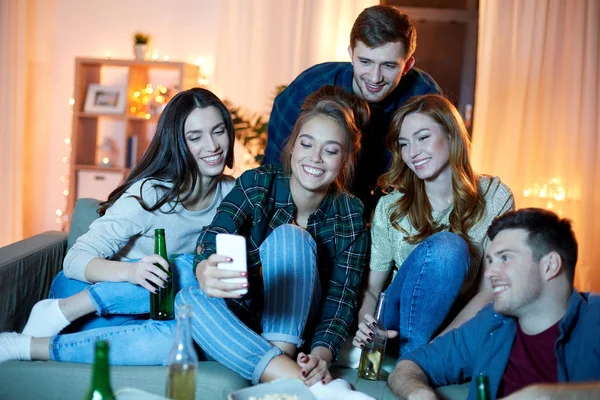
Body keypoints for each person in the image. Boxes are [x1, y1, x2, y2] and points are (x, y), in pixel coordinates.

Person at [0, 87, 236, 364]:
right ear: (178, 144)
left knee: (178, 339)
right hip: (82, 300)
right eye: (195, 137)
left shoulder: (234, 195)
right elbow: (74, 260)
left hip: (153, 309)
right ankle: (50, 315)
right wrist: (132, 271)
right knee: (182, 266)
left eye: (218, 131)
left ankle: (25, 347)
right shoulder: (151, 194)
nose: (212, 146)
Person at [176, 85, 369, 387]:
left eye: (330, 150)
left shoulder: (351, 215)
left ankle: (282, 362)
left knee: (289, 238)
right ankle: (299, 382)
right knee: (186, 298)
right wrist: (204, 268)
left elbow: (340, 300)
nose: (316, 158)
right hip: (247, 321)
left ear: (344, 160)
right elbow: (216, 231)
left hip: (303, 328)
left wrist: (320, 356)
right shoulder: (257, 183)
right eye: (307, 144)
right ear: (292, 147)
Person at [352, 94, 514, 358]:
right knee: (447, 247)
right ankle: (416, 362)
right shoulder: (391, 206)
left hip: (455, 323)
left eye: (423, 137)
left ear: (451, 135)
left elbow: (488, 292)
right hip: (397, 325)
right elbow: (373, 288)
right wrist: (368, 326)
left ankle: (419, 361)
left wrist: (440, 345)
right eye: (404, 144)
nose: (412, 152)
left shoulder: (495, 196)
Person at [389, 208, 600, 400]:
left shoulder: (594, 318)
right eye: (490, 261)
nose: (489, 274)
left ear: (550, 265)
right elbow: (411, 364)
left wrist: (549, 395)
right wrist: (419, 393)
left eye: (505, 258)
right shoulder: (492, 321)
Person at [263, 5, 442, 217]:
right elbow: (274, 172)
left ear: (408, 65)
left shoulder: (424, 96)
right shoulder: (308, 87)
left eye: (388, 66)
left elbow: (440, 175)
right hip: (318, 216)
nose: (375, 78)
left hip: (394, 216)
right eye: (365, 62)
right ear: (351, 53)